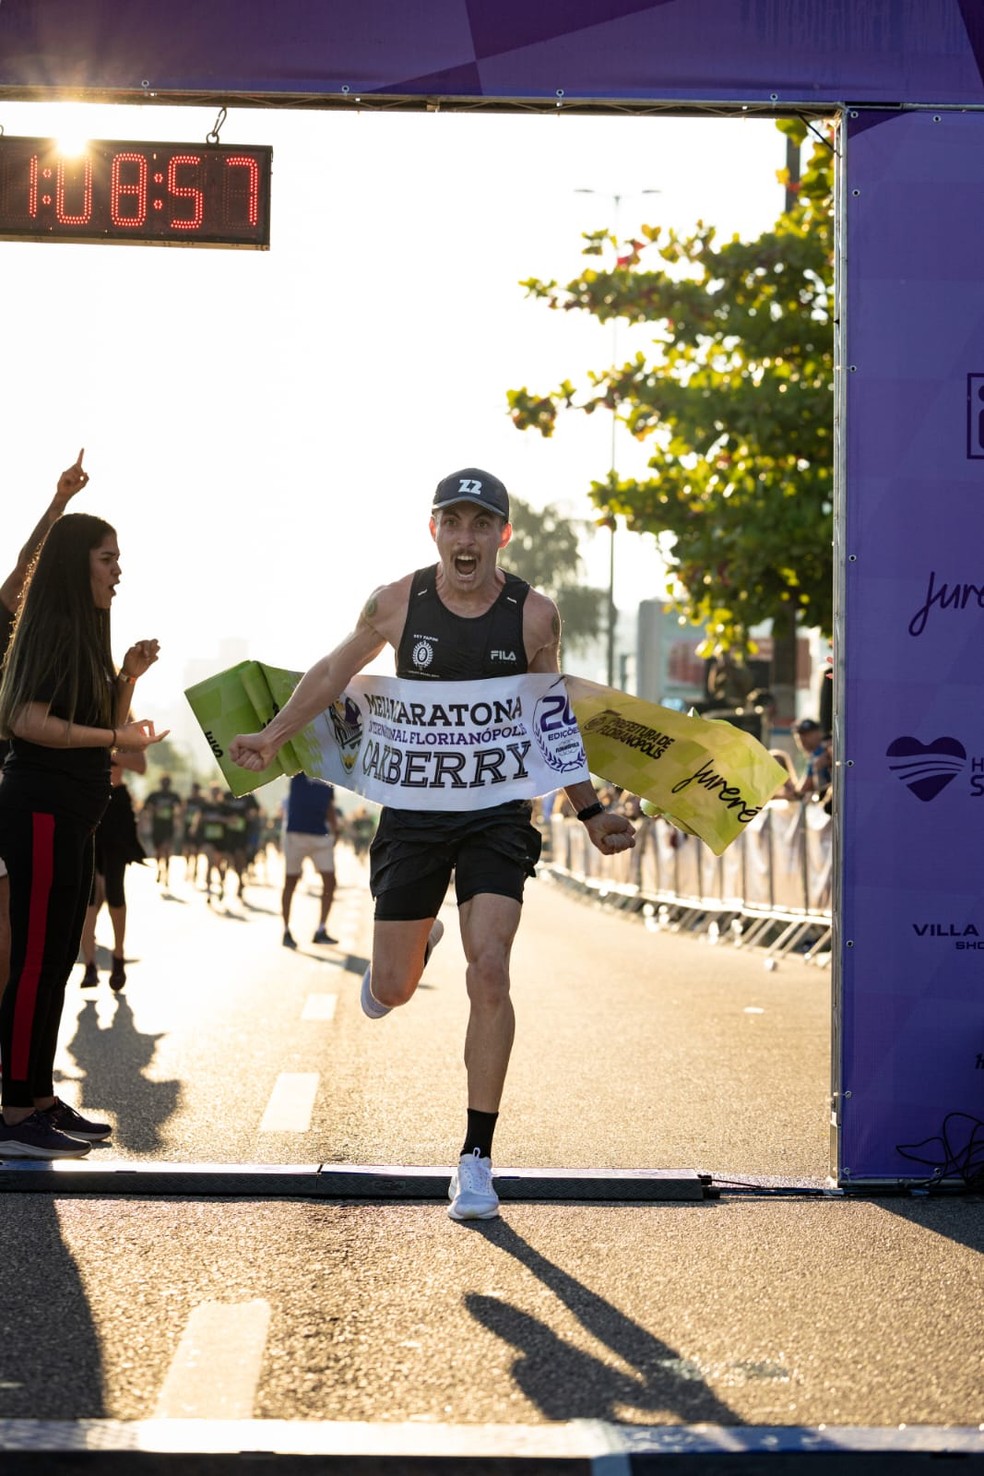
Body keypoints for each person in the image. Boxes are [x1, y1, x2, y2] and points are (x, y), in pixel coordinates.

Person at [230, 467, 635, 1221]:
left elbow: (551, 719)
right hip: (414, 812)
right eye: (453, 522)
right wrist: (273, 735)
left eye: (482, 524)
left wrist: (590, 809)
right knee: (391, 989)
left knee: (491, 969)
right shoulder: (395, 602)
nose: (467, 537)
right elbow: (330, 672)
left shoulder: (533, 616)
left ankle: (476, 1160)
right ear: (434, 531)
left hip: (499, 812)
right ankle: (415, 948)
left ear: (502, 536)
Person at [0, 512, 166, 1159]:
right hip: (38, 809)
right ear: (76, 564)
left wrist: (125, 680)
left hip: (74, 815)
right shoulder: (53, 631)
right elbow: (27, 720)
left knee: (58, 958)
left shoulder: (87, 636)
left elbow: (102, 723)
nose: (117, 569)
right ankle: (14, 1114)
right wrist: (116, 738)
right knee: (37, 958)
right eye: (106, 557)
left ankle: (38, 1097)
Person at [0, 450, 90, 1001]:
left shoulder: (15, 623)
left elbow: (20, 580)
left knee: (11, 931)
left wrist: (57, 505)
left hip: (13, 784)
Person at [80, 754, 147, 992]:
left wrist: (110, 747)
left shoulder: (129, 728)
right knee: (85, 890)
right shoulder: (81, 719)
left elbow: (141, 766)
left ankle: (118, 956)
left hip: (116, 807)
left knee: (114, 888)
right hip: (84, 803)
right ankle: (89, 965)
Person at [281, 771, 340, 948]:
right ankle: (286, 930)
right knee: (291, 882)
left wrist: (335, 829)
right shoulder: (298, 771)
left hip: (320, 835)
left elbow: (329, 805)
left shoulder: (330, 774)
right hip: (296, 834)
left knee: (330, 882)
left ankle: (321, 929)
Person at [141, 773, 182, 887]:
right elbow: (145, 808)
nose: (165, 785)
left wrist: (177, 818)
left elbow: (181, 809)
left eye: (167, 782)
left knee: (167, 850)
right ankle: (159, 868)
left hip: (168, 828)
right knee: (159, 851)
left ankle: (167, 874)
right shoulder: (154, 795)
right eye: (164, 782)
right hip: (157, 827)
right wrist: (153, 809)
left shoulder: (174, 796)